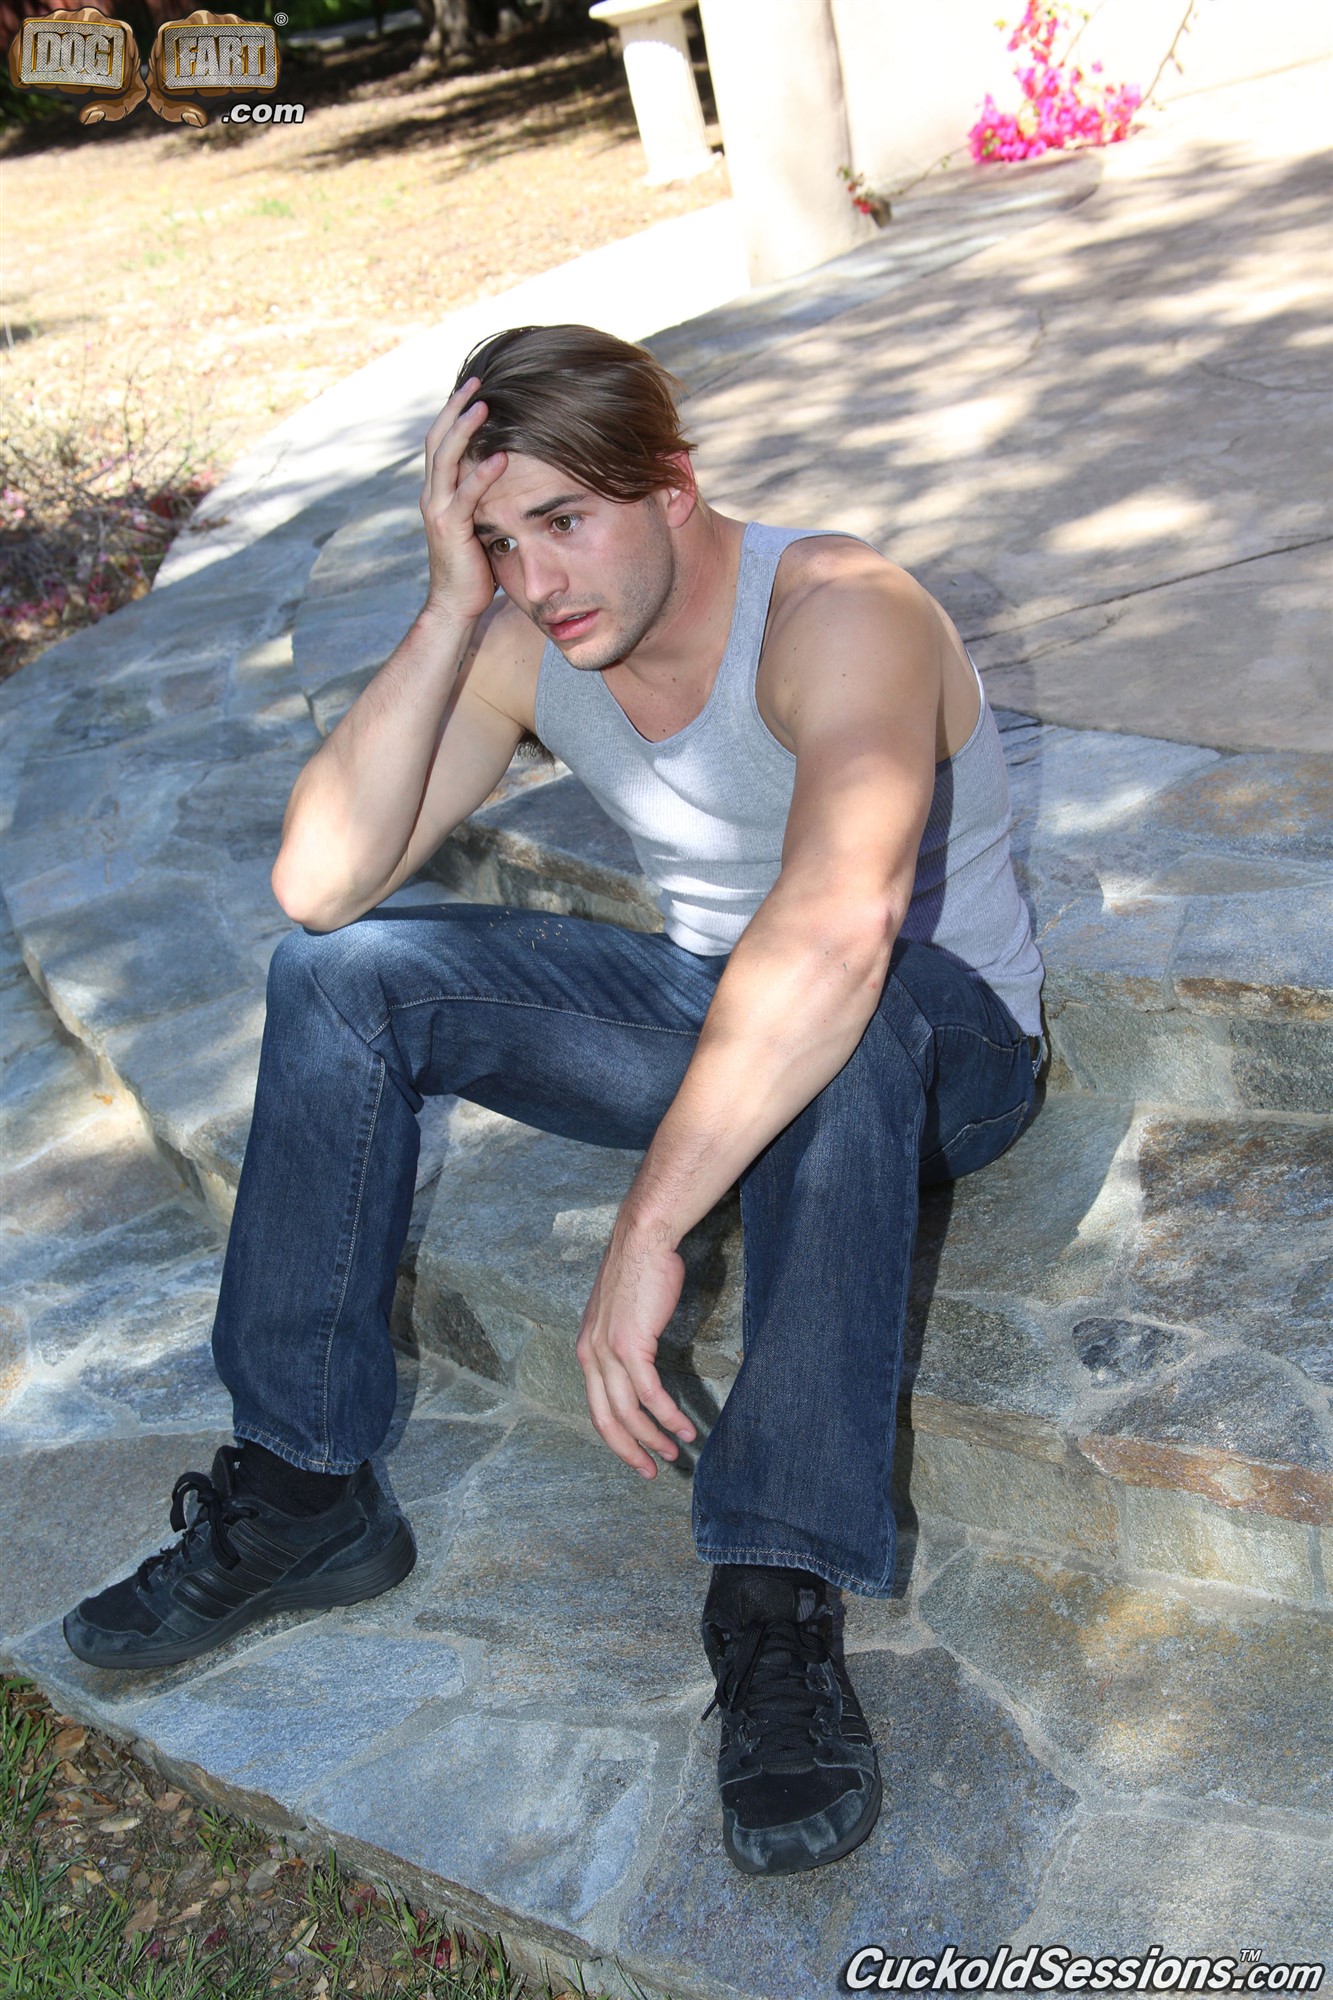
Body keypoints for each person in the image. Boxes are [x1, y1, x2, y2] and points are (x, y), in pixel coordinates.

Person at [63, 324, 1044, 1878]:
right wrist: (447, 610)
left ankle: (772, 1599)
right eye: (499, 541)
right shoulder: (523, 631)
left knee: (839, 1029)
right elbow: (317, 882)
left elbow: (831, 941)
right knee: (342, 976)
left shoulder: (839, 611)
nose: (539, 578)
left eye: (564, 523)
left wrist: (649, 1229)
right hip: (714, 1008)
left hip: (941, 1043)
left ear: (672, 486)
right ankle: (304, 1492)